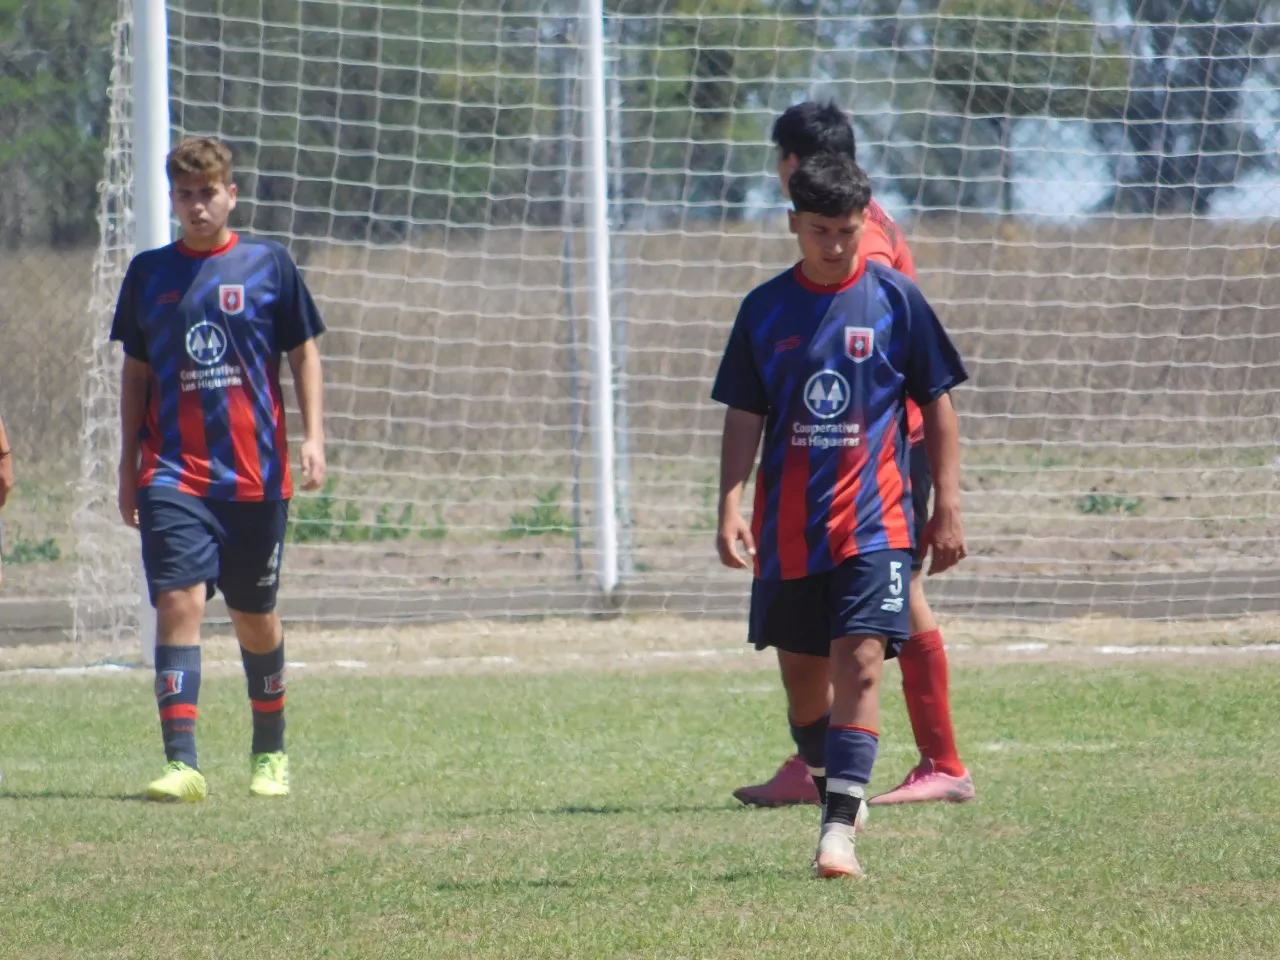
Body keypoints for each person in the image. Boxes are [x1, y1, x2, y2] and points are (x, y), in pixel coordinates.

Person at [713, 152, 968, 877]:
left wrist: (948, 505)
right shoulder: (764, 308)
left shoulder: (896, 300)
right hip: (788, 529)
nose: (834, 245)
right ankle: (838, 790)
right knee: (804, 683)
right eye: (820, 230)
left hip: (877, 521)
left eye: (847, 231)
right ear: (793, 223)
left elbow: (938, 406)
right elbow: (744, 414)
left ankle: (836, 834)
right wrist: (729, 503)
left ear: (865, 224)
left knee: (859, 663)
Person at [110, 137, 327, 803]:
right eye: (185, 195)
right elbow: (136, 375)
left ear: (231, 195)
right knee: (178, 601)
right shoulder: (148, 274)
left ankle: (270, 751)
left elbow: (304, 352)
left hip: (254, 476)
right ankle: (183, 764)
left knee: (253, 615)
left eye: (208, 193)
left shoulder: (269, 265)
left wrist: (315, 437)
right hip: (172, 472)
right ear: (172, 200)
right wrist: (127, 464)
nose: (197, 206)